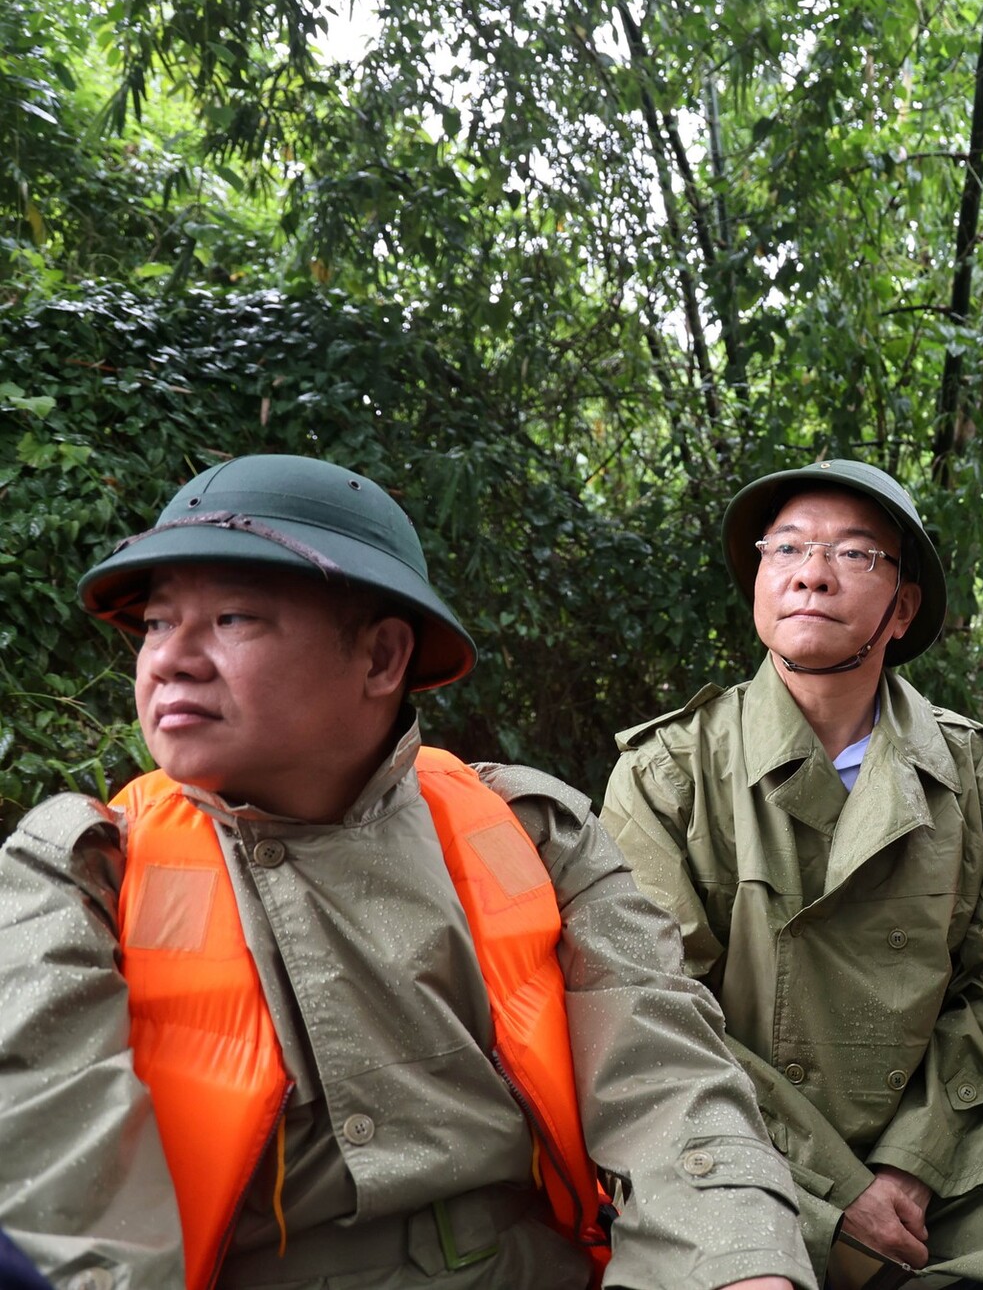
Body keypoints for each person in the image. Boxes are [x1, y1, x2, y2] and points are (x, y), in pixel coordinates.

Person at [0, 455, 810, 1290]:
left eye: (234, 618)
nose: (172, 660)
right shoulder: (81, 873)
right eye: (158, 625)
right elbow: (69, 1208)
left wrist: (738, 1266)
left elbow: (668, 1079)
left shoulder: (530, 834)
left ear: (383, 658)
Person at [600, 459, 983, 1289]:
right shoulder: (670, 772)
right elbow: (655, 1021)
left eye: (854, 555)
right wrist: (842, 1194)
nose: (811, 574)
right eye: (785, 548)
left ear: (901, 609)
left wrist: (909, 1166)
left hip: (928, 1134)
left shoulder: (971, 776)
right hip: (738, 1132)